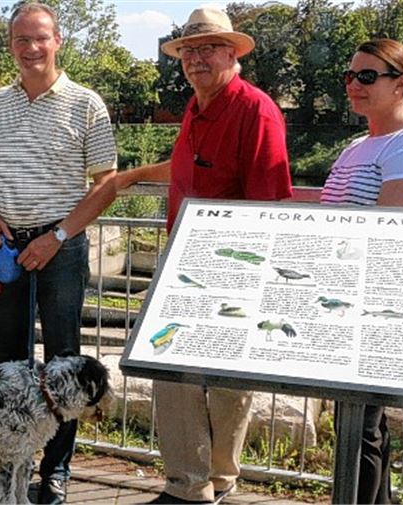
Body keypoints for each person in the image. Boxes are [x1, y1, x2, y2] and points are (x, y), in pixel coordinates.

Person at [117, 7, 292, 504]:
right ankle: (187, 485)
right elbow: (184, 169)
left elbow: (270, 204)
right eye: (188, 51)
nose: (196, 59)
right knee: (171, 373)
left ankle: (220, 479)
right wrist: (129, 177)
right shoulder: (196, 108)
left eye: (208, 49)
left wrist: (254, 280)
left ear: (232, 53)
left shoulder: (255, 111)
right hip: (181, 265)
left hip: (233, 268)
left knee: (230, 384)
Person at [0, 4, 118, 503]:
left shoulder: (86, 104)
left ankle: (55, 471)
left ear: (58, 41)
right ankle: (8, 469)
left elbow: (106, 186)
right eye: (20, 39)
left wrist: (55, 236)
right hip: (9, 245)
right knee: (7, 363)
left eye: (39, 38)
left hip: (62, 247)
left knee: (64, 363)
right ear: (11, 44)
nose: (30, 48)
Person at [322, 39, 403, 504]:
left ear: (402, 84)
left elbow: (385, 227)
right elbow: (330, 209)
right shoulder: (360, 145)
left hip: (381, 300)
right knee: (360, 422)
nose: (354, 85)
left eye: (368, 76)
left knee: (362, 425)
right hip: (344, 295)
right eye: (350, 76)